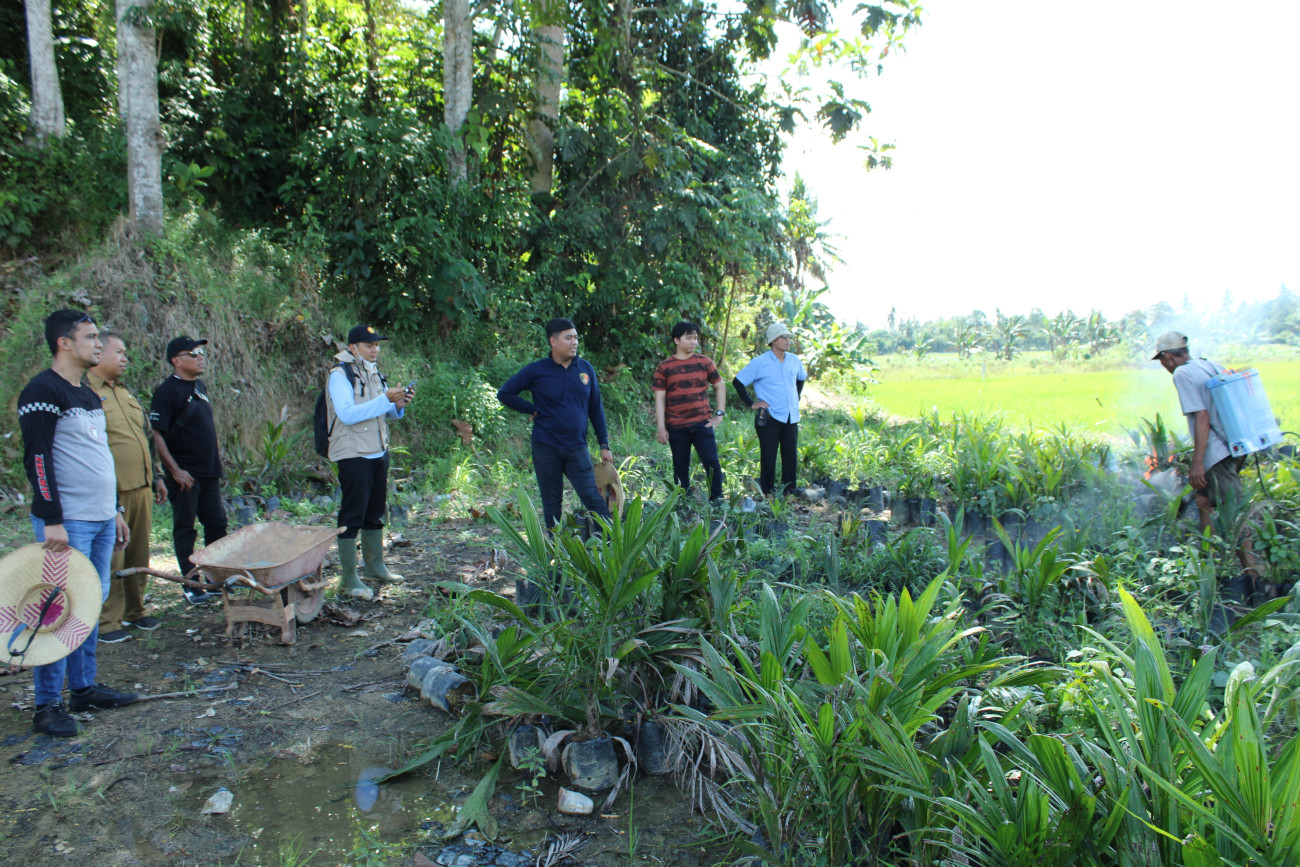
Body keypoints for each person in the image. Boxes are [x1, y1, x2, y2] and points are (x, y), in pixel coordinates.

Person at [18, 310, 140, 737]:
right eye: (89, 337)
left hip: (101, 517)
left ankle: (83, 688)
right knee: (57, 608)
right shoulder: (42, 391)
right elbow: (37, 460)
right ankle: (47, 705)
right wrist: (51, 519)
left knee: (88, 606)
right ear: (64, 343)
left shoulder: (87, 394)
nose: (97, 343)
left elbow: (98, 458)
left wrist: (115, 511)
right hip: (66, 522)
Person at [1153, 331, 1259, 604]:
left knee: (1234, 513)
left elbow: (1202, 416)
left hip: (1217, 454)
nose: (1163, 366)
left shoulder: (1183, 374)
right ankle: (1208, 563)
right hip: (1234, 444)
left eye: (1161, 360)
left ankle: (1252, 582)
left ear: (1167, 357)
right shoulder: (1207, 364)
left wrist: (1198, 462)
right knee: (1202, 498)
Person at [87, 333, 169, 641]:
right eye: (118, 352)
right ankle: (108, 622)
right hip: (111, 491)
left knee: (138, 553)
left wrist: (157, 476)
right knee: (111, 556)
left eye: (126, 352)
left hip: (141, 488)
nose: (124, 358)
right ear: (99, 353)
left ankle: (136, 612)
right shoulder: (85, 394)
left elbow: (146, 438)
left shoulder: (126, 393)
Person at [497, 318, 615, 531]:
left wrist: (604, 444)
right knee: (552, 502)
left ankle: (612, 545)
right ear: (553, 341)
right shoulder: (537, 370)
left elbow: (595, 408)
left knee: (592, 497)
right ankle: (556, 553)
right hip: (546, 446)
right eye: (568, 337)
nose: (574, 342)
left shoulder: (585, 369)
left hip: (577, 447)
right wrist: (531, 409)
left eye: (576, 337)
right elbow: (505, 393)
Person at [324, 325, 412, 600]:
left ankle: (375, 567)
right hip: (352, 453)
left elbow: (387, 414)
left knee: (374, 512)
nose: (374, 349)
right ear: (353, 348)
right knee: (352, 514)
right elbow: (348, 415)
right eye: (368, 345)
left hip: (377, 451)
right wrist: (386, 398)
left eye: (377, 345)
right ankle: (349, 579)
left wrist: (399, 403)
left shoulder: (375, 373)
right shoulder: (340, 375)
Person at [149, 335, 227, 603]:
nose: (199, 356)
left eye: (200, 352)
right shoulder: (167, 391)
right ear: (176, 360)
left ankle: (217, 579)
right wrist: (175, 471)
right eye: (192, 353)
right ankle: (190, 584)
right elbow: (157, 435)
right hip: (185, 476)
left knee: (217, 523)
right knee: (185, 528)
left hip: (209, 472)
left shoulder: (200, 386)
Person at [653, 321, 726, 502]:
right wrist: (661, 427)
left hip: (702, 423)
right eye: (688, 337)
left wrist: (719, 415)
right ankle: (684, 503)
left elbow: (720, 387)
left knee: (712, 463)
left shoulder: (705, 362)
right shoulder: (665, 367)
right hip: (676, 426)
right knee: (680, 466)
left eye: (695, 338)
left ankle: (717, 501)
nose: (693, 342)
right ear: (677, 340)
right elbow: (660, 399)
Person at [732, 322, 807, 497]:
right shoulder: (760, 362)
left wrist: (796, 397)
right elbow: (738, 382)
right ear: (773, 340)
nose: (788, 340)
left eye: (789, 337)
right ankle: (768, 493)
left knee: (790, 456)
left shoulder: (794, 360)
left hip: (791, 416)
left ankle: (789, 491)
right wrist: (752, 403)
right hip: (770, 417)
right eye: (783, 337)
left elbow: (801, 378)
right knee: (768, 456)